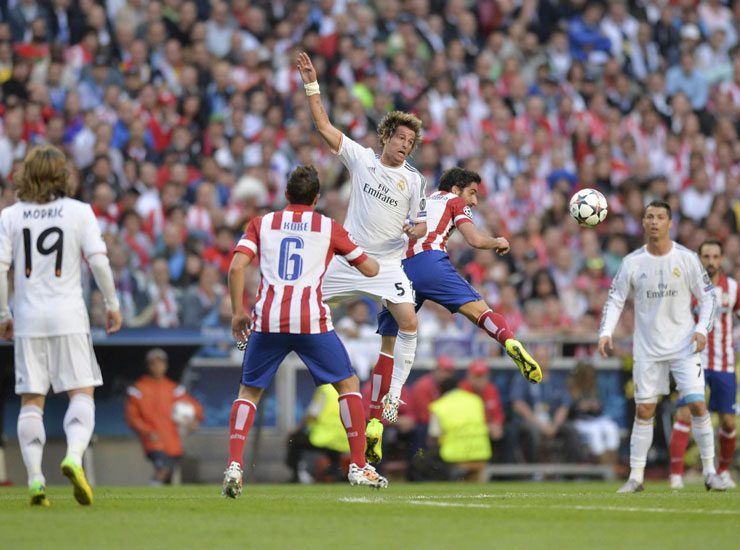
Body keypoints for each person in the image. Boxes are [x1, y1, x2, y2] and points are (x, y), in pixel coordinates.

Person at [222, 165, 386, 498]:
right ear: (316, 197)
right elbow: (370, 269)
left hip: (267, 319)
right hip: (310, 318)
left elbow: (237, 266)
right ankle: (358, 465)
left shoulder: (262, 223)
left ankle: (235, 466)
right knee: (348, 384)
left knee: (249, 392)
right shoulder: (328, 227)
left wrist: (238, 311)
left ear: (286, 195)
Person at [296, 53, 427, 442]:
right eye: (400, 137)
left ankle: (392, 397)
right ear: (386, 136)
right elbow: (323, 126)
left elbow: (420, 222)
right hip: (350, 260)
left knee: (409, 321)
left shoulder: (414, 181)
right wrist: (312, 85)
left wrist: (417, 231)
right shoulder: (362, 159)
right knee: (300, 296)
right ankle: (254, 332)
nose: (405, 144)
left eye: (411, 141)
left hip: (387, 264)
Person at [373, 167, 542, 462]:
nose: (474, 201)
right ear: (455, 189)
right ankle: (509, 342)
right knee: (480, 312)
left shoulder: (418, 200)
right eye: (473, 193)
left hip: (397, 271)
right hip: (430, 262)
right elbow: (475, 240)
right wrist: (498, 241)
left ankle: (375, 421)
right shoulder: (453, 202)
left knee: (387, 349)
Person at [0, 145, 122, 506]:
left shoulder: (10, 216)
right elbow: (99, 262)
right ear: (62, 176)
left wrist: (3, 315)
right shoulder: (79, 212)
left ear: (27, 175)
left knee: (31, 399)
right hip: (69, 313)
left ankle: (36, 479)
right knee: (81, 392)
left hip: (28, 316)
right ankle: (73, 455)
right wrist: (112, 304)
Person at [598, 200, 728, 492]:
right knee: (644, 410)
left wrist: (700, 329)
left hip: (684, 346)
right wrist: (605, 332)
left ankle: (710, 472)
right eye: (649, 217)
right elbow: (616, 299)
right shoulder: (633, 262)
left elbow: (709, 298)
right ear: (643, 223)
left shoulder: (686, 258)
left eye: (660, 217)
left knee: (697, 403)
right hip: (647, 348)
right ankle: (636, 477)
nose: (654, 221)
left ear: (670, 224)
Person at [669, 239, 738, 489]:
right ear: (698, 258)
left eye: (715, 256)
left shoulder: (733, 288)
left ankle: (722, 471)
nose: (710, 261)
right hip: (692, 360)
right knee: (685, 413)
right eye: (706, 256)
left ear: (721, 259)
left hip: (724, 364)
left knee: (728, 421)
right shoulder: (687, 288)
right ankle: (676, 475)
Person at [124, 348, 204, 485]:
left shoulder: (173, 389)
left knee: (168, 478)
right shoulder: (138, 389)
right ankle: (149, 498)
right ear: (148, 366)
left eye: (161, 363)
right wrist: (147, 431)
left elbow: (194, 407)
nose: (158, 367)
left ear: (165, 365)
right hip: (153, 440)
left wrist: (194, 420)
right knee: (162, 469)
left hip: (173, 441)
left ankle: (159, 501)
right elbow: (132, 418)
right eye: (153, 363)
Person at [509, 346, 581, 464]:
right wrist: (540, 425)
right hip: (530, 421)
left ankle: (572, 473)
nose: (542, 362)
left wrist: (554, 426)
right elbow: (518, 404)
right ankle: (533, 471)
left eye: (545, 358)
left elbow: (565, 405)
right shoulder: (522, 378)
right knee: (533, 432)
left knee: (571, 430)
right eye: (539, 358)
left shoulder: (557, 380)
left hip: (552, 421)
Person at [414, 377, 492, 482]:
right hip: (481, 452)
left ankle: (446, 480)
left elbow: (434, 436)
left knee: (420, 458)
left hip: (454, 455)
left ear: (441, 391)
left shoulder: (439, 406)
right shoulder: (476, 400)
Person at [286, 384, 350, 484]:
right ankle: (335, 475)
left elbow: (312, 414)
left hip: (322, 437)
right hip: (342, 439)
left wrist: (297, 429)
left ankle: (296, 474)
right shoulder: (346, 388)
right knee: (334, 454)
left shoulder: (325, 389)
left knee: (293, 440)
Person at [568, 362, 620, 465]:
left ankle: (613, 463)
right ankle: (604, 466)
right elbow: (569, 410)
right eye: (587, 375)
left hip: (595, 419)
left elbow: (600, 408)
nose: (589, 377)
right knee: (595, 431)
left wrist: (595, 406)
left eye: (591, 374)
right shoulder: (571, 387)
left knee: (611, 427)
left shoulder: (594, 388)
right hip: (579, 421)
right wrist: (579, 406)